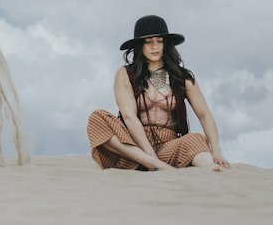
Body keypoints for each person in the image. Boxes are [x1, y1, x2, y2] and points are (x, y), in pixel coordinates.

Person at [87, 15, 229, 171]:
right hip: (135, 149)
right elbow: (129, 116)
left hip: (170, 147)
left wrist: (216, 150)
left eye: (159, 41)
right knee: (97, 118)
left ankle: (210, 170)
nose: (154, 46)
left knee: (195, 139)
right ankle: (154, 165)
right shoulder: (125, 74)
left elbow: (204, 114)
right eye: (148, 42)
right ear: (139, 46)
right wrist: (150, 156)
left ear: (166, 44)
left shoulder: (183, 77)